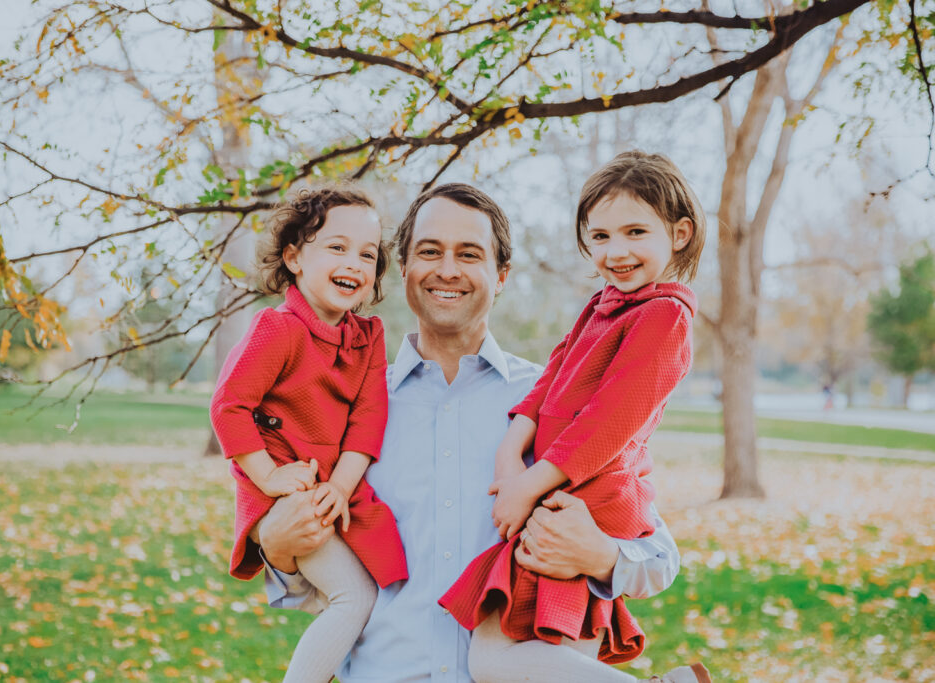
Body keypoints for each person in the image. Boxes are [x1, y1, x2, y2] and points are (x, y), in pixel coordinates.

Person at [254, 183, 685, 682]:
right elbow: (329, 590)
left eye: (469, 254)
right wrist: (278, 548)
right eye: (429, 251)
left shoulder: (561, 402)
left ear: (501, 275)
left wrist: (602, 556)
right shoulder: (347, 407)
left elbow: (659, 558)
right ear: (403, 269)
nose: (447, 270)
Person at [439, 151, 711, 683]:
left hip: (588, 501)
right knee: (519, 659)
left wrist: (528, 485)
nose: (617, 251)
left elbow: (608, 423)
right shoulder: (603, 304)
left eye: (636, 232)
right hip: (557, 491)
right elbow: (552, 376)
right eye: (601, 237)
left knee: (501, 660)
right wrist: (510, 449)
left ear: (679, 233)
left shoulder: (665, 316)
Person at [209, 187, 407, 683]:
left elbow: (368, 419)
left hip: (332, 489)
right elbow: (229, 407)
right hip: (281, 491)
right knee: (353, 597)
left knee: (379, 589)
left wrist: (340, 486)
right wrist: (271, 478)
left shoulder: (368, 338)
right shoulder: (278, 330)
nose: (354, 263)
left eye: (367, 254)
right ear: (295, 257)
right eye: (337, 248)